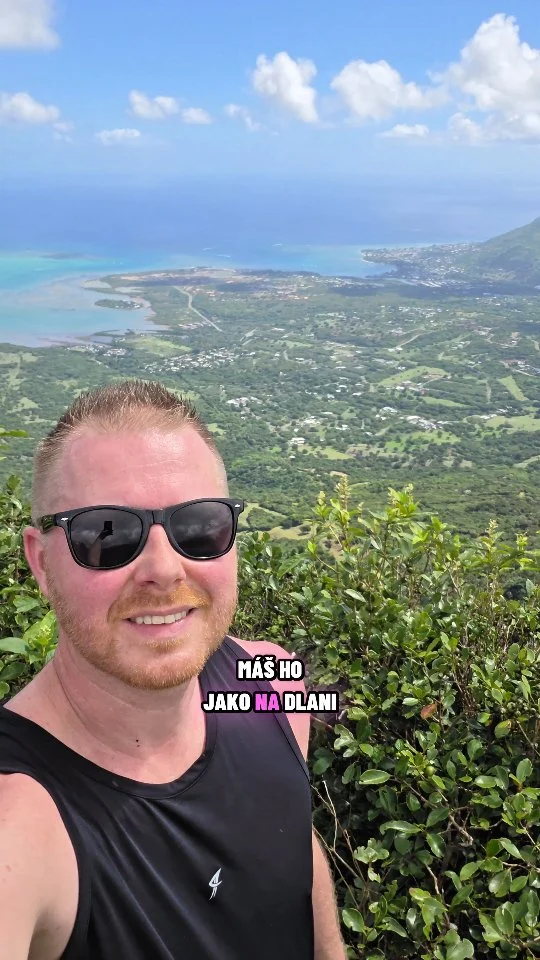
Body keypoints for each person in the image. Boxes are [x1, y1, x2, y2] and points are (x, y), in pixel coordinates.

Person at [0, 379, 347, 960]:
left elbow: (290, 838)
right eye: (105, 534)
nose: (163, 568)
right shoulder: (22, 819)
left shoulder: (275, 685)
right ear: (41, 561)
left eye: (198, 527)